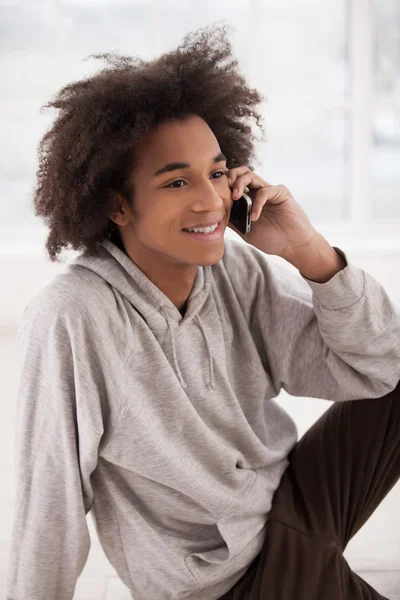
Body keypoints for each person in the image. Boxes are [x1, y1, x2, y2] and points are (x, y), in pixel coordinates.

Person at [6, 22, 400, 600]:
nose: (211, 199)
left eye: (218, 173)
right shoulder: (73, 317)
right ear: (116, 204)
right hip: (225, 580)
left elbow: (379, 366)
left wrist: (309, 253)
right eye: (176, 182)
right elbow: (51, 502)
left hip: (288, 501)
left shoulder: (236, 270)